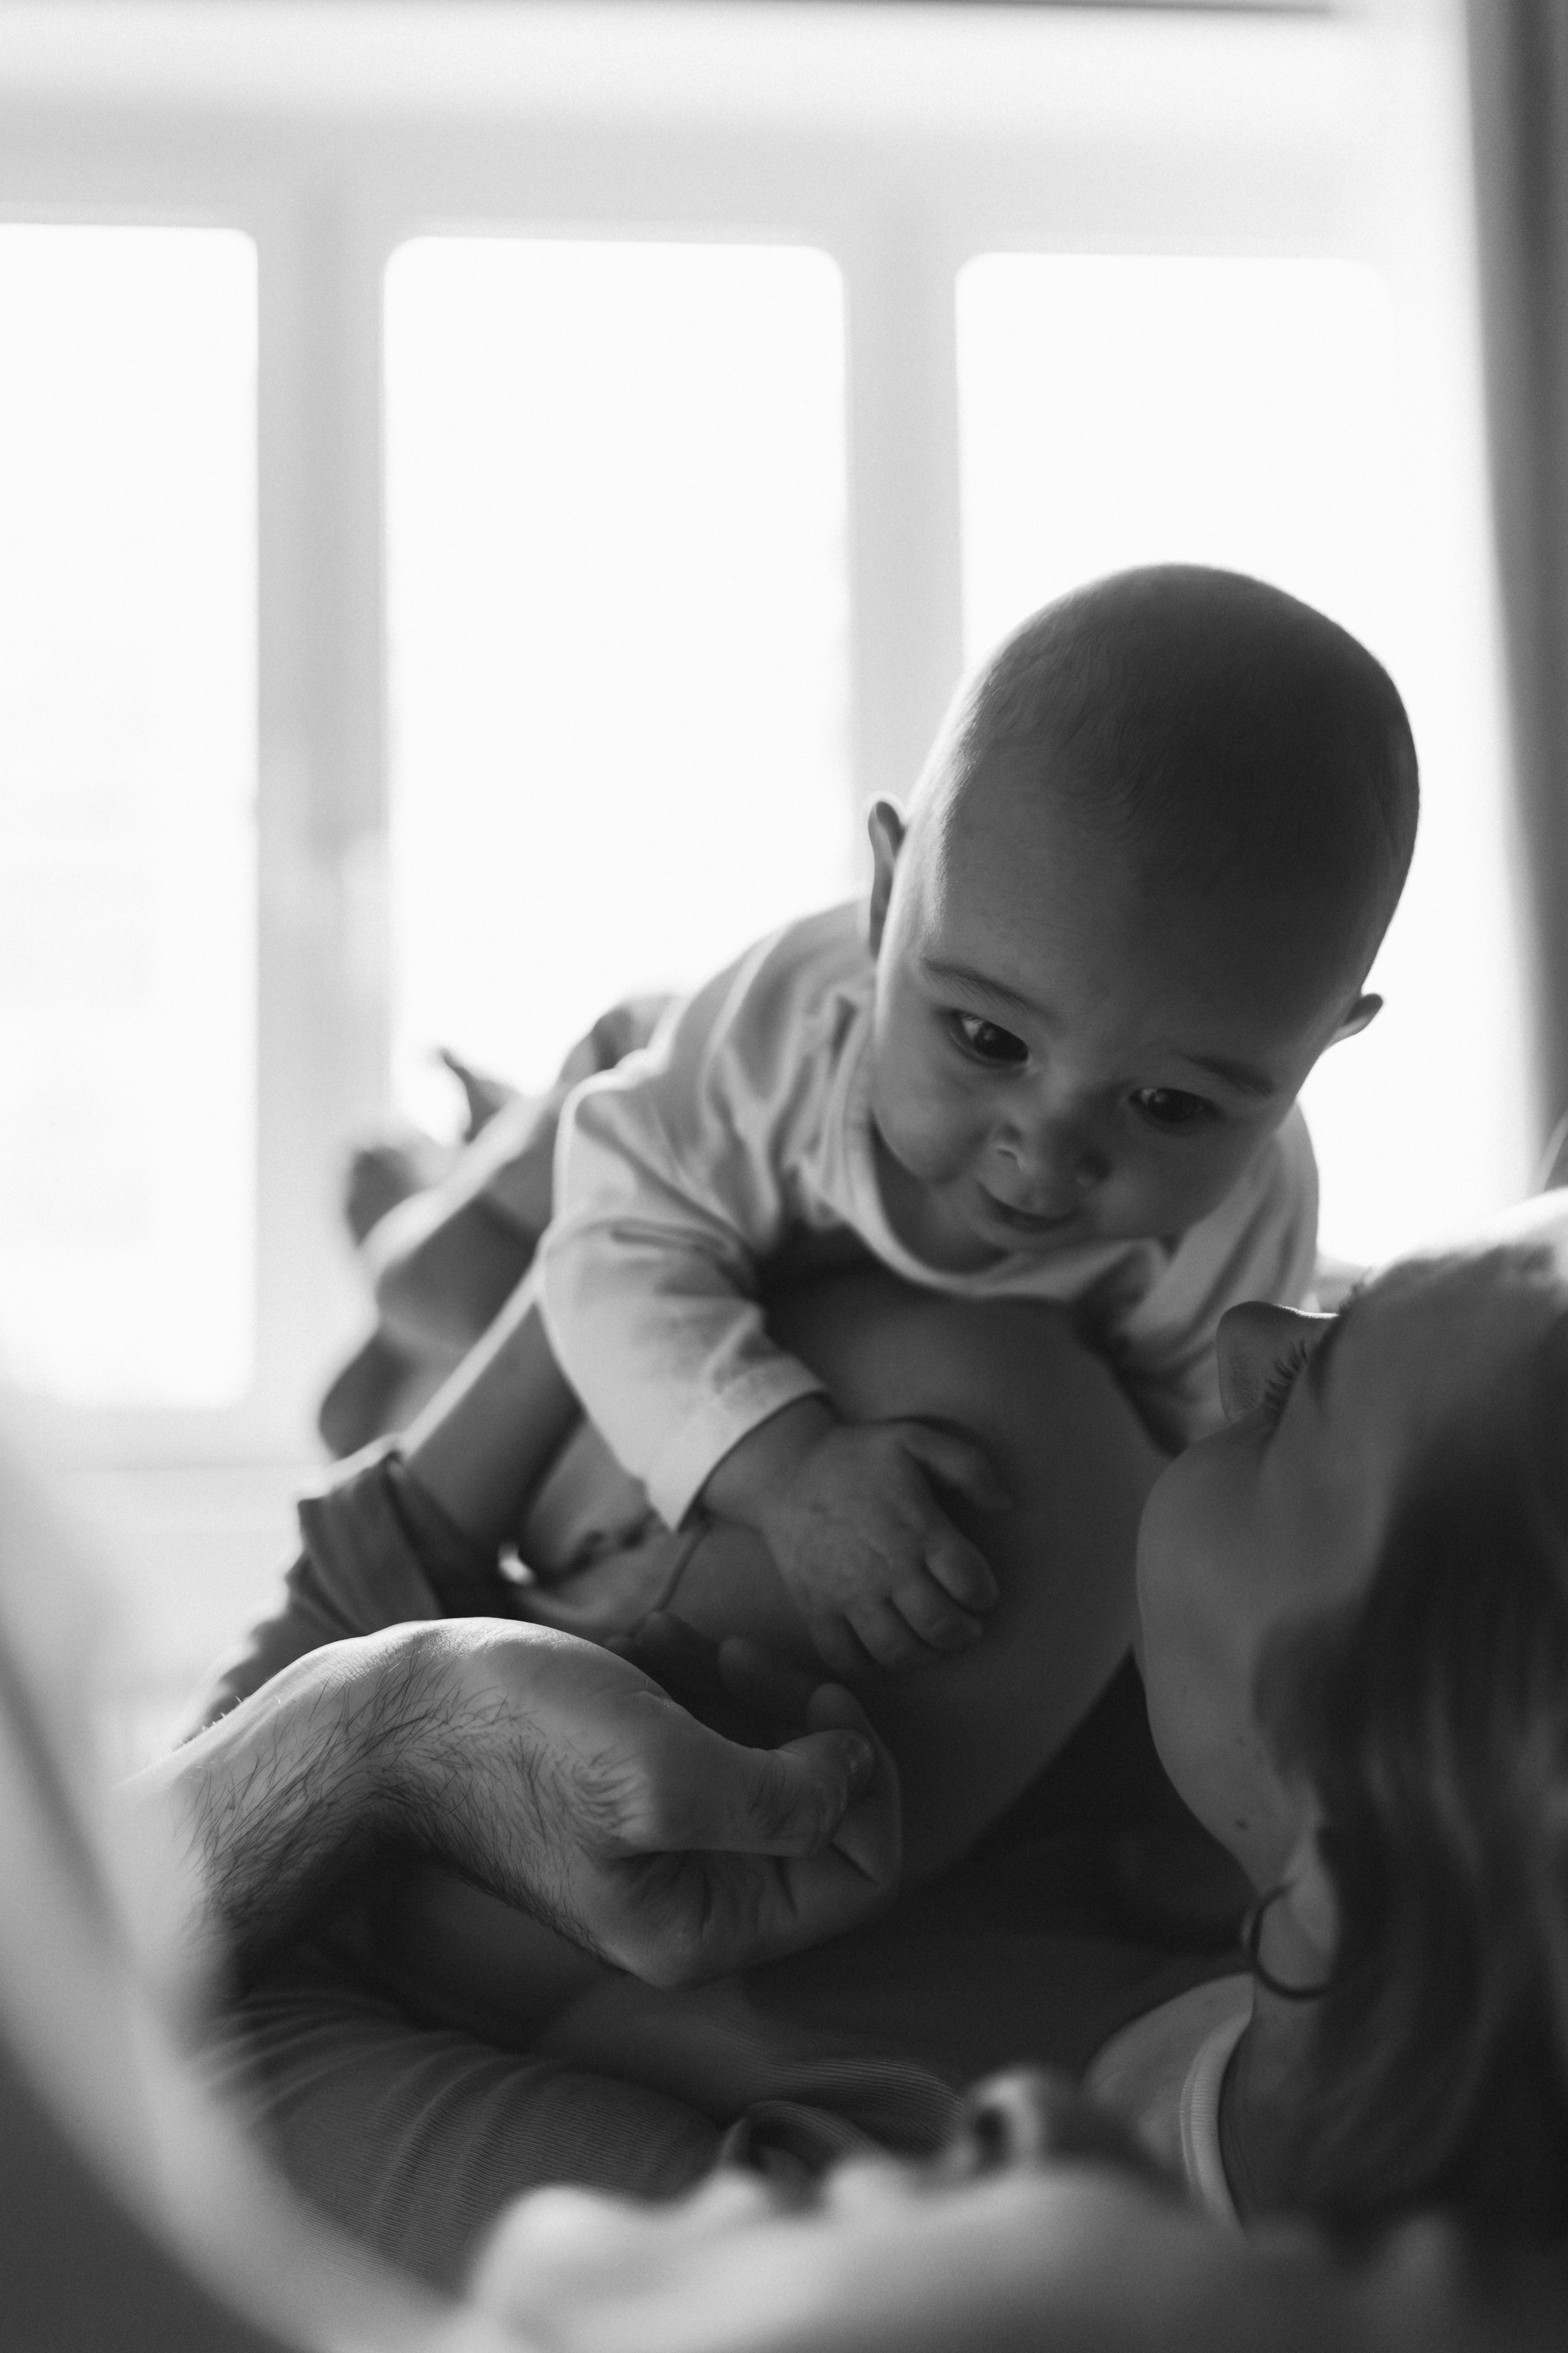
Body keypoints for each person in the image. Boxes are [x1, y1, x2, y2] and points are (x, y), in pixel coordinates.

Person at [12, 1199, 1568, 2349]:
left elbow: (100, 2038)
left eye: (1320, 1383)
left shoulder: (832, 2263)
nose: (1247, 1337)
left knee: (1000, 1427)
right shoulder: (1284, 1869)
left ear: (1365, 1828)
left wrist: (391, 1711)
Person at [535, 565, 1417, 1687]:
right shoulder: (785, 1039)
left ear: (1312, 1058)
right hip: (668, 1166)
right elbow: (614, 1240)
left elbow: (1191, 1460)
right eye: (989, 1040)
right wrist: (790, 1470)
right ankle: (448, 1195)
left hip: (901, 1324)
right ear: (885, 904)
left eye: (1168, 1105)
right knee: (502, 1262)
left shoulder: (1245, 1213)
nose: (1045, 1153)